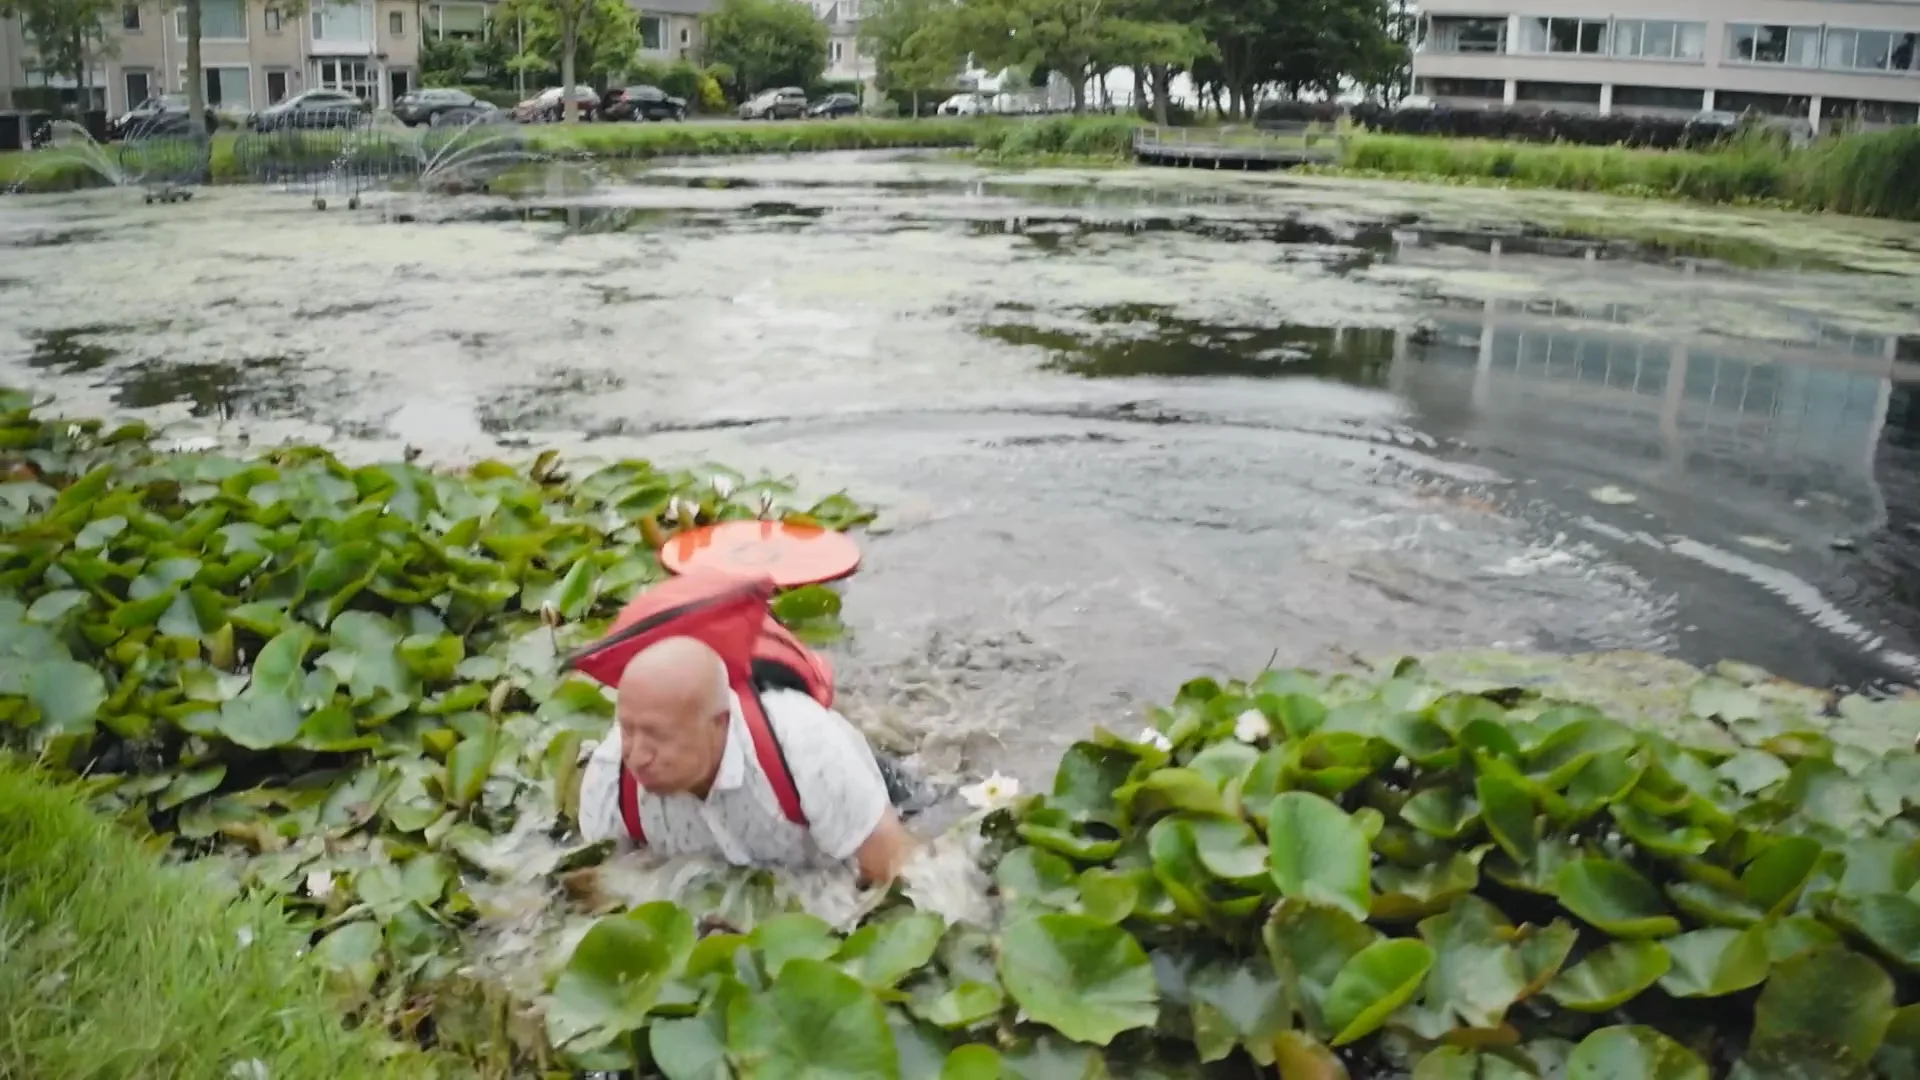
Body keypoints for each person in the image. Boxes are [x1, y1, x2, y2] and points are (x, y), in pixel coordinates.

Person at [577, 635, 916, 883]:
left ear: (719, 724)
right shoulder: (610, 777)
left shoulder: (805, 748)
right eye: (628, 731)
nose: (637, 756)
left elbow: (894, 870)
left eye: (658, 736)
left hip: (863, 795)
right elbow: (600, 887)